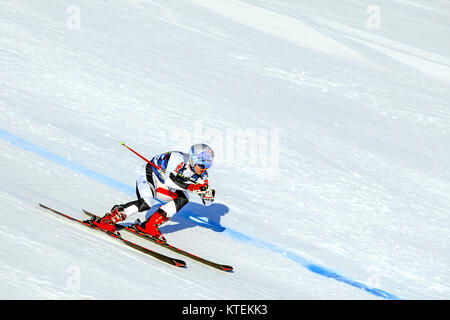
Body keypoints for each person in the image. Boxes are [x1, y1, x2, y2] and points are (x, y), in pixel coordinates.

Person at [89, 143, 215, 241]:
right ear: (192, 160)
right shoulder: (177, 158)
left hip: (163, 186)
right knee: (147, 202)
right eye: (202, 165)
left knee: (183, 199)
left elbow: (206, 202)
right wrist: (191, 188)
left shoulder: (203, 175)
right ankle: (108, 219)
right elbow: (169, 181)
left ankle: (149, 226)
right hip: (150, 175)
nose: (204, 169)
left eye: (207, 166)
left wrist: (207, 195)